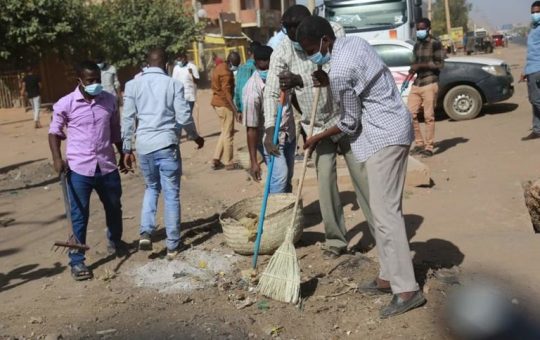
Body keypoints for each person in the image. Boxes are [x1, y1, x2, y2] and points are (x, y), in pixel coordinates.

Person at [297, 15, 425, 318]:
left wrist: (317, 136)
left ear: (325, 41)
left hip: (385, 135)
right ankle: (386, 276)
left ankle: (406, 289)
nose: (310, 54)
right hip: (390, 128)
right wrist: (330, 82)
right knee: (381, 211)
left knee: (384, 212)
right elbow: (359, 86)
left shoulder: (340, 69)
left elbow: (348, 121)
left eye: (311, 47)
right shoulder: (352, 44)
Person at [264, 5, 366, 258]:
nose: (290, 34)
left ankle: (381, 232)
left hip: (346, 119)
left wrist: (301, 79)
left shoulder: (334, 32)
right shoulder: (283, 51)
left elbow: (340, 70)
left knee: (363, 181)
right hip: (316, 126)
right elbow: (272, 91)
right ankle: (336, 241)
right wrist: (268, 128)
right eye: (286, 29)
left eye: (295, 28)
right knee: (325, 186)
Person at [122, 48, 204, 259]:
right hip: (167, 145)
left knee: (151, 187)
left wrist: (126, 147)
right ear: (166, 64)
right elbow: (184, 116)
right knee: (171, 194)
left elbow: (128, 118)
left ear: (146, 63)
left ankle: (146, 232)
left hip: (144, 147)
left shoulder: (132, 85)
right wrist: (195, 136)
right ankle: (173, 245)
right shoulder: (173, 85)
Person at [48, 61, 126, 281]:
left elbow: (115, 130)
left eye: (97, 80)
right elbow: (54, 132)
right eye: (90, 81)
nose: (95, 84)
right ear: (79, 80)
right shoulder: (66, 104)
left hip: (106, 166)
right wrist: (56, 158)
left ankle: (115, 241)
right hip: (79, 169)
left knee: (114, 207)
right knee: (79, 215)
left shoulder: (109, 100)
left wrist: (122, 153)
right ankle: (77, 260)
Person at [242, 45, 292, 190]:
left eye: (268, 61)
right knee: (280, 178)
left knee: (287, 178)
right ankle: (274, 210)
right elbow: (251, 128)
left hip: (288, 134)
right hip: (270, 140)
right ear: (255, 62)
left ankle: (286, 208)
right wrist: (253, 161)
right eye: (261, 62)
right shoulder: (252, 91)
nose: (265, 65)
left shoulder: (281, 78)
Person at [407, 18, 445, 157]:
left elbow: (440, 64)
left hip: (430, 82)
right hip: (417, 83)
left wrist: (421, 66)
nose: (419, 31)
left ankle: (429, 147)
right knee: (410, 114)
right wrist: (413, 68)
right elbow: (414, 62)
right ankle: (419, 144)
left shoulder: (435, 43)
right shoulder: (417, 44)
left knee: (429, 117)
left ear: (428, 28)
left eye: (421, 29)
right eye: (417, 29)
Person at [210, 51, 241, 170]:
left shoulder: (220, 67)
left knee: (224, 131)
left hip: (217, 102)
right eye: (235, 64)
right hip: (224, 104)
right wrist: (235, 110)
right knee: (229, 134)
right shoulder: (226, 73)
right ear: (230, 62)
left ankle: (216, 159)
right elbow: (227, 94)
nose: (235, 67)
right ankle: (228, 162)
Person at [520, 1, 540, 141]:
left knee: (536, 100)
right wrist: (525, 70)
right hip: (532, 69)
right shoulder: (534, 28)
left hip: (538, 69)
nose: (535, 15)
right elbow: (531, 53)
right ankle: (537, 129)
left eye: (537, 12)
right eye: (533, 12)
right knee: (535, 101)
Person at [234, 41, 261, 115]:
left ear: (249, 52)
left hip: (245, 108)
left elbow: (237, 90)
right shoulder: (260, 68)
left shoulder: (241, 69)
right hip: (259, 108)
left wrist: (239, 109)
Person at [172, 52, 200, 121]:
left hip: (190, 95)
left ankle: (191, 131)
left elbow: (197, 81)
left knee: (188, 115)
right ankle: (188, 131)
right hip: (179, 96)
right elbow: (173, 81)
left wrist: (191, 74)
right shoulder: (176, 68)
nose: (179, 62)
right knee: (180, 116)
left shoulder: (192, 67)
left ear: (184, 59)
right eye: (177, 60)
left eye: (180, 60)